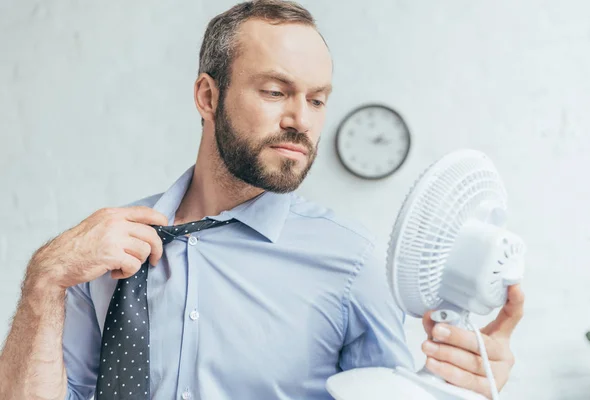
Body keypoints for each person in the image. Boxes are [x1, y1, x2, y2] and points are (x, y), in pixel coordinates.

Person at [0, 1, 524, 399]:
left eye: (317, 100)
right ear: (208, 96)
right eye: (276, 92)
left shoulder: (353, 265)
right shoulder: (103, 250)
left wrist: (460, 384)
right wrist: (45, 277)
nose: (301, 119)